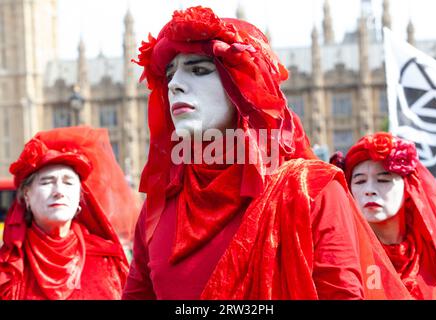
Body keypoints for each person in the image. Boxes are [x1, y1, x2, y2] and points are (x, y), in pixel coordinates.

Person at [123, 6, 410, 300]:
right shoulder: (158, 208)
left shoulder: (310, 192)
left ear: (245, 85)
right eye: (169, 73)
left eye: (199, 70)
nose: (175, 85)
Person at [0, 126, 130, 300]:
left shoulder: (108, 260)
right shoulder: (9, 269)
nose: (59, 191)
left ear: (79, 197)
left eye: (68, 183)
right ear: (27, 195)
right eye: (47, 182)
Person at [332, 132, 436, 299]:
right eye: (359, 181)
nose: (369, 190)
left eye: (383, 180)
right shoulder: (341, 257)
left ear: (408, 187)